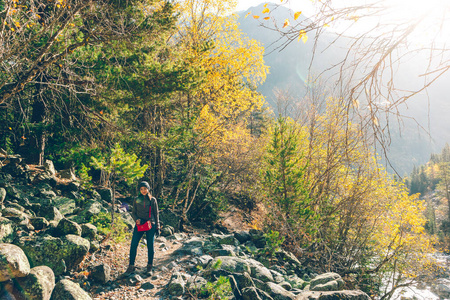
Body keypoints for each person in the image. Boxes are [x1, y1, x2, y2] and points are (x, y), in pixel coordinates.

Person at [126, 181, 160, 274]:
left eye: (145, 189)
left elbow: (156, 213)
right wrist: (136, 219)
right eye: (141, 189)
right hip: (139, 224)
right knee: (133, 245)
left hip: (150, 225)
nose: (143, 190)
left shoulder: (153, 200)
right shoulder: (136, 199)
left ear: (148, 189)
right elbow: (133, 213)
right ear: (139, 190)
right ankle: (131, 266)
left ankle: (149, 267)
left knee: (150, 246)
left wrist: (158, 227)